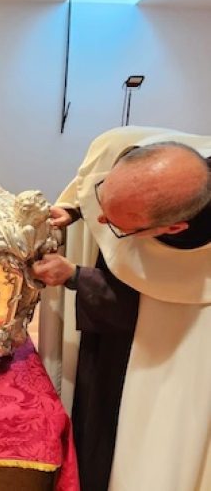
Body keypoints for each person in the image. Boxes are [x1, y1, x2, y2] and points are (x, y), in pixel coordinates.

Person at [32, 127, 211, 491]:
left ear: (172, 228)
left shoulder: (197, 259)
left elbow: (141, 310)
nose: (101, 220)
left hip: (150, 356)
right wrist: (76, 208)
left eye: (114, 224)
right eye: (103, 200)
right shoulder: (120, 145)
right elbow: (94, 187)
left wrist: (74, 276)